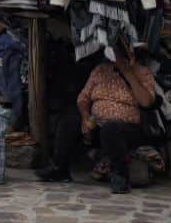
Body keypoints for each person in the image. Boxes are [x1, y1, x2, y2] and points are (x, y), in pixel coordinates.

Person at [38, 43, 160, 193]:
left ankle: (120, 176)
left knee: (111, 128)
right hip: (97, 125)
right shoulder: (100, 70)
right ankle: (59, 169)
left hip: (126, 130)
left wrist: (127, 71)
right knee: (69, 119)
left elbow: (146, 101)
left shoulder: (142, 73)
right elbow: (83, 98)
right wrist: (85, 118)